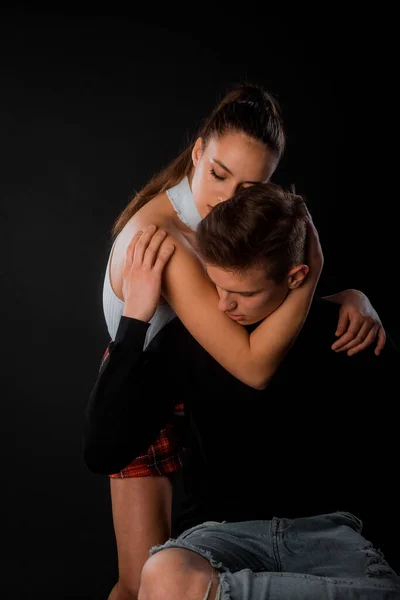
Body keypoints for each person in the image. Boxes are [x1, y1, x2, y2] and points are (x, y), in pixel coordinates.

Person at [98, 83, 386, 600]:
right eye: (219, 174)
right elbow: (251, 363)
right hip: (146, 378)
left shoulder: (214, 228)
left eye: (250, 188)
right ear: (197, 152)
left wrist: (351, 295)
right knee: (137, 581)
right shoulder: (168, 240)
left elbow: (259, 298)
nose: (229, 200)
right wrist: (314, 274)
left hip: (203, 378)